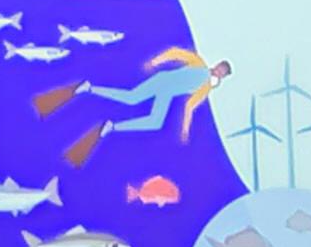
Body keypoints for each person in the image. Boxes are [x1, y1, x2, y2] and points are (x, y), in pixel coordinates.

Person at [34, 48, 230, 166]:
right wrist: (155, 62)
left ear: (222, 77)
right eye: (220, 68)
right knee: (131, 98)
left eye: (222, 73)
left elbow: (190, 106)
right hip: (162, 81)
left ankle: (112, 126)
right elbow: (176, 53)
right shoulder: (198, 63)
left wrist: (185, 129)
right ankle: (89, 88)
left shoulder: (205, 88)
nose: (218, 72)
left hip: (167, 93)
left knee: (155, 122)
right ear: (216, 65)